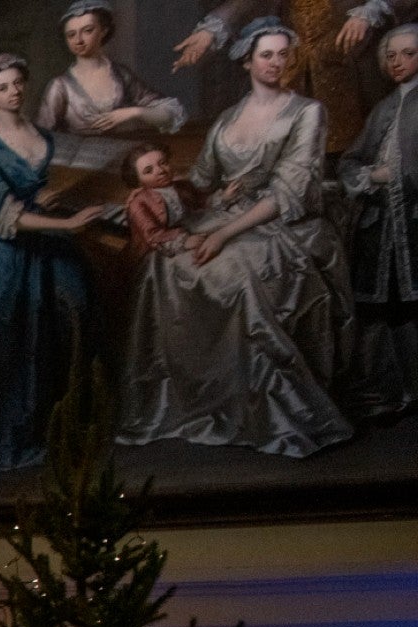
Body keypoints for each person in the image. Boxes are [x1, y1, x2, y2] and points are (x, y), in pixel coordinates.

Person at [120, 20, 358, 458]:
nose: (276, 63)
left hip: (283, 221)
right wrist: (159, 195)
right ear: (247, 60)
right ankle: (194, 400)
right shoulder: (229, 116)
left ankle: (256, 407)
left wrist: (224, 233)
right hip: (223, 213)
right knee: (166, 263)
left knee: (237, 271)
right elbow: (206, 179)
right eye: (266, 55)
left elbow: (291, 188)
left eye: (283, 54)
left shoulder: (307, 111)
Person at [0, 54, 106, 488]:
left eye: (17, 84)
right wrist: (67, 224)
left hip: (41, 244)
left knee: (76, 303)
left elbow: (46, 183)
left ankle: (55, 430)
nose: (13, 91)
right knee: (7, 334)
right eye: (3, 87)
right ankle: (1, 440)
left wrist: (57, 197)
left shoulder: (41, 135)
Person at [175, 0, 418, 151]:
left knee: (360, 148)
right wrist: (210, 30)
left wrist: (368, 11)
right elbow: (244, 3)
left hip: (354, 69)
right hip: (299, 73)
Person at [342, 23, 418, 419]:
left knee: (412, 306)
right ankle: (388, 392)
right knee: (379, 308)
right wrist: (371, 177)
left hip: (415, 223)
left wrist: (402, 175)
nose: (398, 62)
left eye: (408, 53)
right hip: (382, 226)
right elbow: (353, 161)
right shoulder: (385, 107)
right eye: (391, 55)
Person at [40, 3, 185, 136]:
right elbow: (41, 136)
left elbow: (168, 113)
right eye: (71, 35)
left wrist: (132, 112)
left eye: (87, 31)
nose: (79, 40)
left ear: (103, 31)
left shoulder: (121, 75)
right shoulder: (60, 86)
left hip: (123, 152)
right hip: (78, 159)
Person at [121, 143, 197, 254]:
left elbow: (201, 201)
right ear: (138, 180)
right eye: (148, 171)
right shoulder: (138, 204)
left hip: (191, 228)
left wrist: (223, 197)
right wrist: (184, 241)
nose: (160, 171)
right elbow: (152, 236)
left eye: (163, 163)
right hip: (162, 248)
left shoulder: (181, 185)